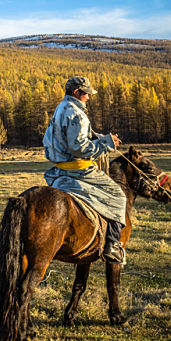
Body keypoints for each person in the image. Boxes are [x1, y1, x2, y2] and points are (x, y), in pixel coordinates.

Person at [42, 76, 127, 264]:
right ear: (76, 93)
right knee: (118, 196)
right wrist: (105, 145)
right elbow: (79, 147)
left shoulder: (60, 109)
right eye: (86, 93)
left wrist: (102, 138)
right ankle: (112, 246)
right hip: (79, 170)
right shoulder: (76, 113)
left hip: (59, 171)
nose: (88, 97)